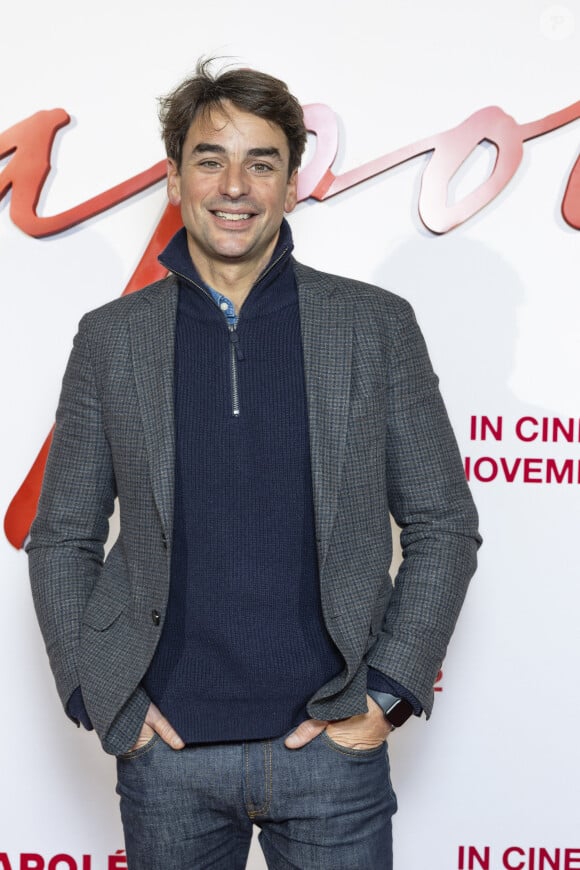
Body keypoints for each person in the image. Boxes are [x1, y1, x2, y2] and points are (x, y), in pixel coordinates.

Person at [27, 58, 481, 870]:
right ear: (174, 178)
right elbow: (61, 534)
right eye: (210, 159)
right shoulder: (112, 338)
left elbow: (444, 523)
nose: (234, 185)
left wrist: (387, 694)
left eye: (261, 162)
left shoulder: (374, 327)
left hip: (332, 753)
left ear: (292, 181)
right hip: (167, 758)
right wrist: (100, 694)